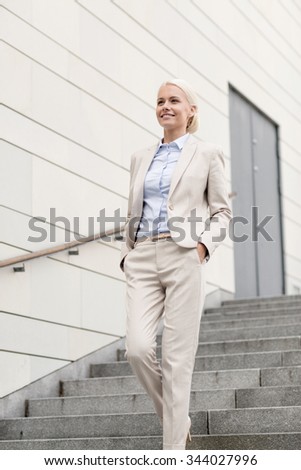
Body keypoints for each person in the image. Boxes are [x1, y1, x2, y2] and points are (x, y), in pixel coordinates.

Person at [120, 78, 232, 450]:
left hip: (183, 254)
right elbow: (135, 208)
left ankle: (174, 453)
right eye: (160, 101)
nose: (165, 106)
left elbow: (222, 211)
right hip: (142, 258)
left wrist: (202, 248)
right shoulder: (139, 156)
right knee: (136, 348)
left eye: (174, 101)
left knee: (177, 360)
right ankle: (177, 420)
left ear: (191, 110)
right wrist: (128, 252)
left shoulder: (207, 153)